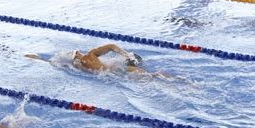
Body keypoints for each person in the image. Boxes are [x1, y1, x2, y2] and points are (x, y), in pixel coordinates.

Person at [25, 44, 170, 79]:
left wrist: (36, 58)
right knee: (154, 76)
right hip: (123, 70)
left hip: (116, 75)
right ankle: (188, 84)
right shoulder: (90, 55)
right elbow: (112, 46)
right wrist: (126, 54)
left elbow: (51, 63)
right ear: (78, 53)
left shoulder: (76, 67)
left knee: (151, 78)